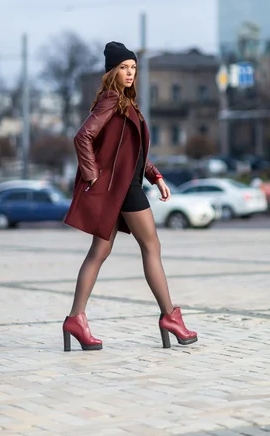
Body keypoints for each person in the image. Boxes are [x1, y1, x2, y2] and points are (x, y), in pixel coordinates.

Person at [63, 42, 197, 352]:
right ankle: (170, 316)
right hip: (123, 190)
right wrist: (93, 175)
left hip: (123, 187)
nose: (130, 73)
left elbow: (131, 154)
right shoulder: (111, 100)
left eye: (133, 68)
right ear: (112, 71)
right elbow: (82, 136)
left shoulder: (124, 103)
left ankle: (75, 319)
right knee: (151, 246)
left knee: (99, 252)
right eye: (124, 67)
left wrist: (156, 176)